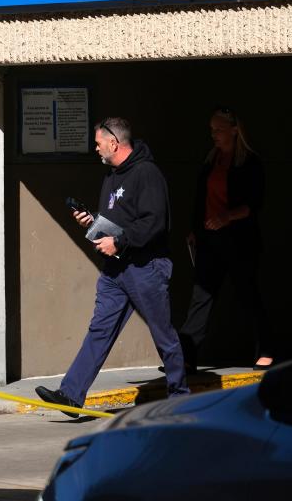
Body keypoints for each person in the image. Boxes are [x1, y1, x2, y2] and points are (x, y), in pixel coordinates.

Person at [36, 117, 190, 417]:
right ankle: (70, 395)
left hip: (146, 267)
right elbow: (118, 219)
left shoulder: (147, 174)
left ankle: (180, 398)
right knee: (100, 330)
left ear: (114, 143)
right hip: (115, 271)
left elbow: (154, 223)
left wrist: (119, 243)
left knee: (163, 335)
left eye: (98, 143)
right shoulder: (111, 176)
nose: (95, 149)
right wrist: (92, 220)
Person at [178, 108, 273, 371]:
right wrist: (195, 229)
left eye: (218, 129)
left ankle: (265, 350)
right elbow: (200, 200)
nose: (214, 135)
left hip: (239, 240)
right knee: (201, 297)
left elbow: (254, 204)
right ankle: (186, 357)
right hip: (210, 239)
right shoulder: (211, 160)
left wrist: (227, 217)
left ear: (234, 130)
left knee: (247, 294)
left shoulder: (249, 162)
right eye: (211, 130)